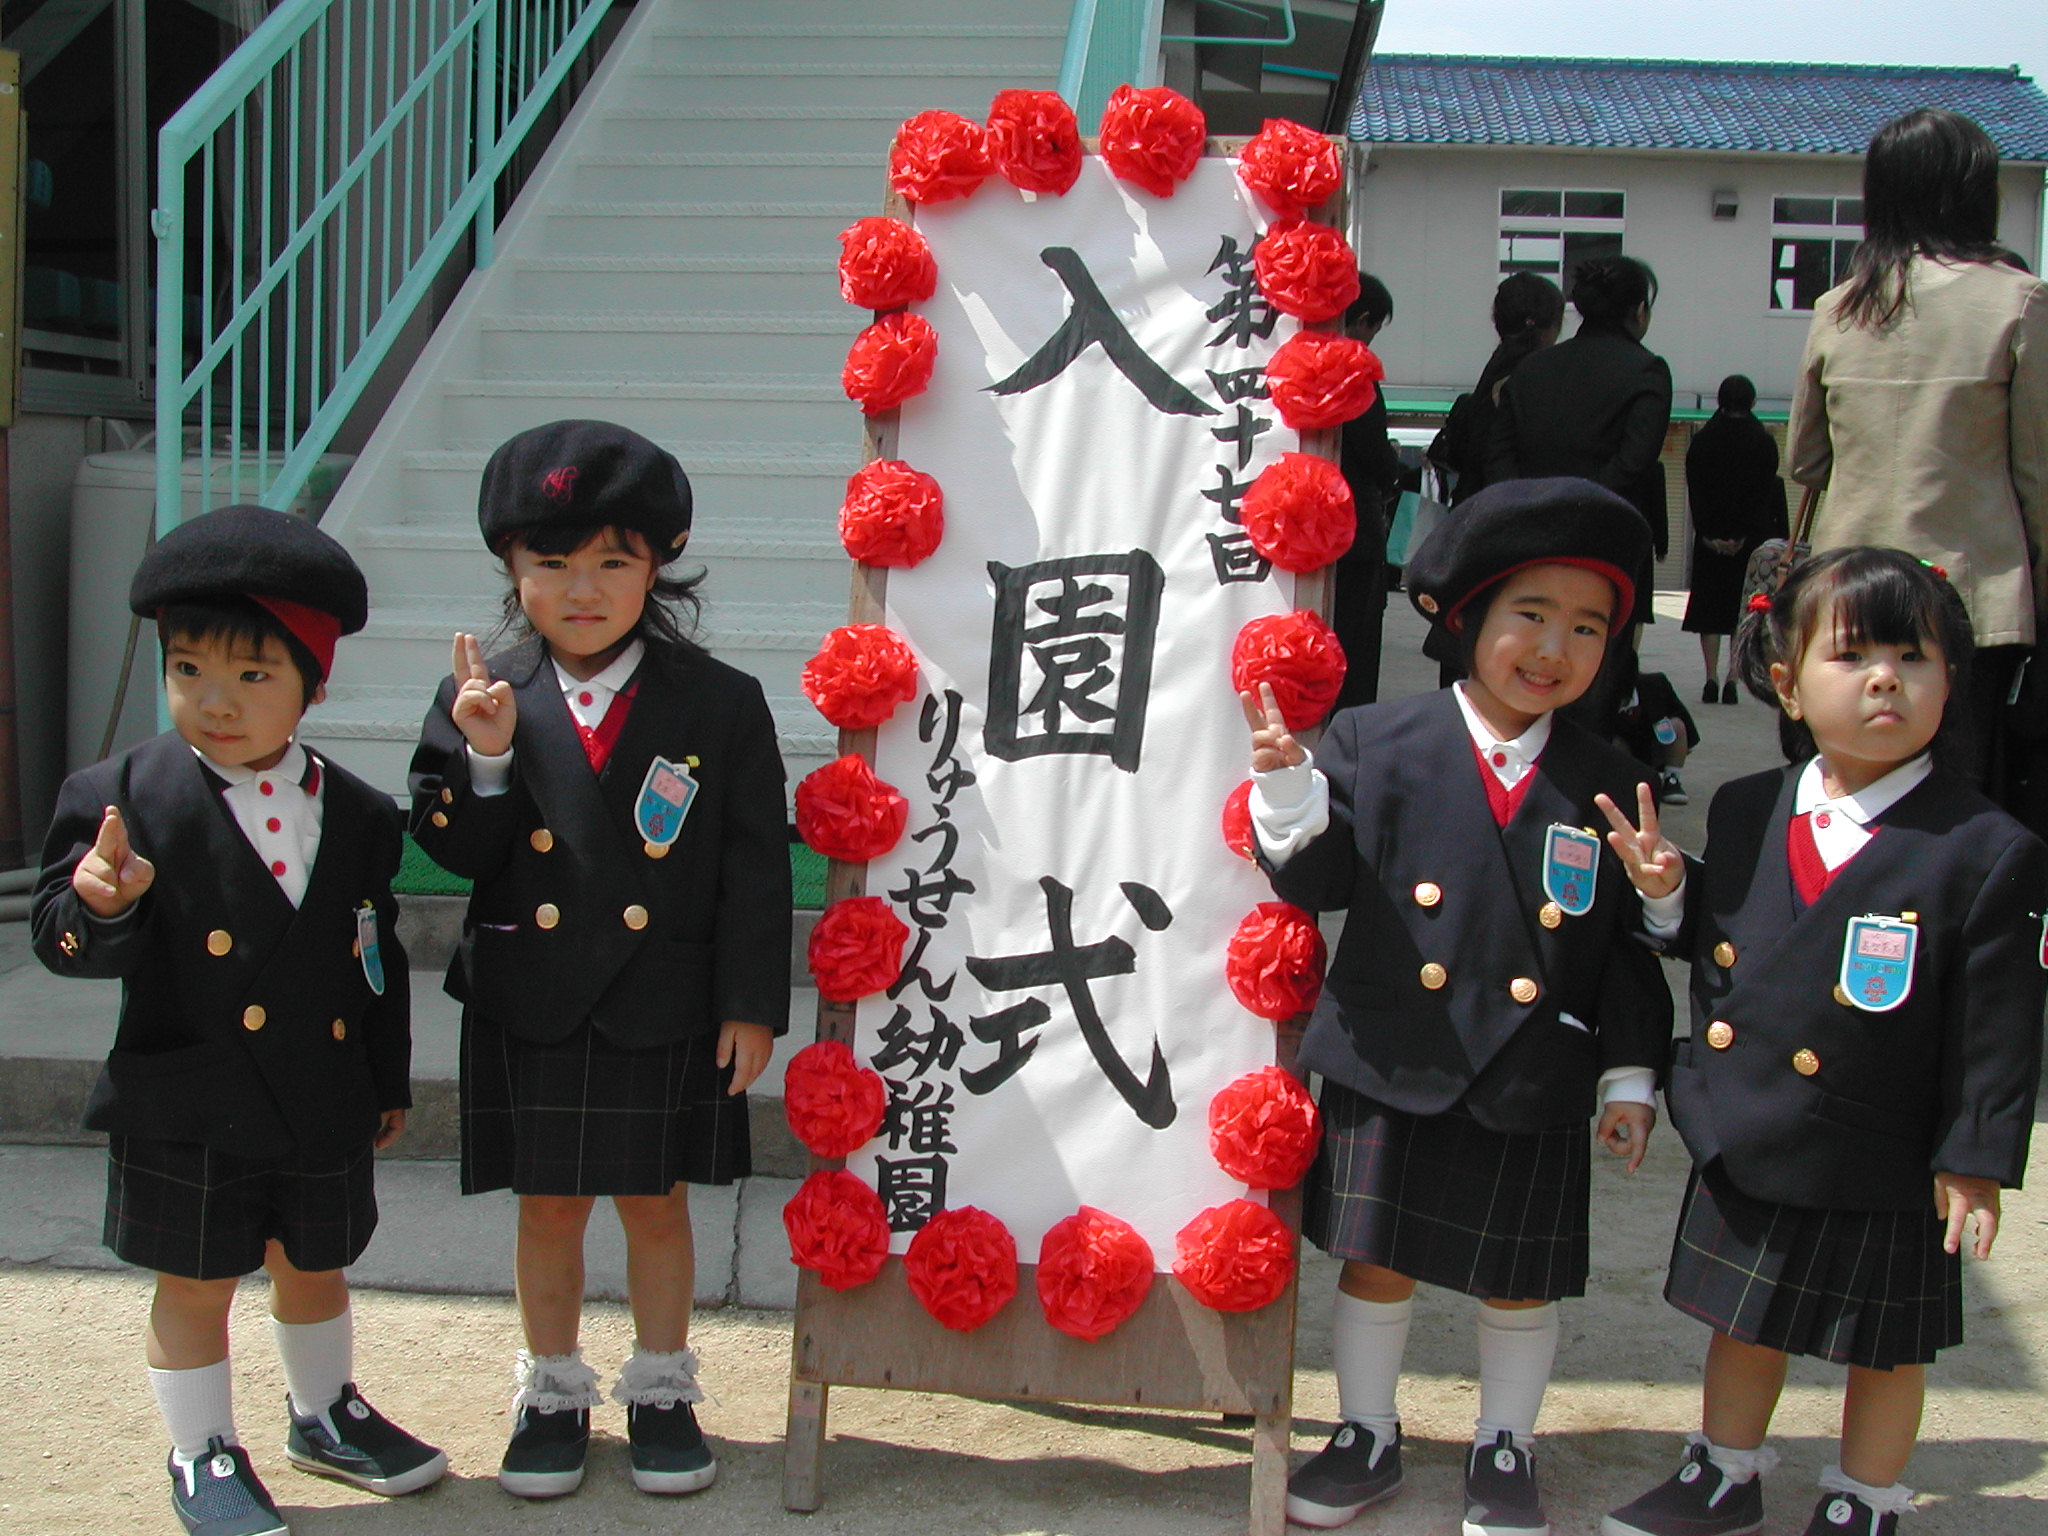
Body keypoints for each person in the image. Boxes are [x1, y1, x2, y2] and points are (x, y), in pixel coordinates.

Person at [1247, 477, 1672, 1536]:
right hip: (1394, 1052)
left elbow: (1621, 953)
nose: (1552, 649)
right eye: (1528, 615)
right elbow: (1316, 885)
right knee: (1374, 1260)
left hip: (1527, 1062)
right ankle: (1364, 1431)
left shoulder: (1607, 776)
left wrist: (1627, 1074)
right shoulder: (1373, 743)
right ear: (1463, 618)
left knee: (1518, 1279)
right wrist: (1291, 794)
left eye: (1585, 627)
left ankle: (1504, 1444)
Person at [1597, 547, 2046, 1536]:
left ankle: (1865, 1497)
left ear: (1948, 684)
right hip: (1752, 1122)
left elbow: (1998, 1021)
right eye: (1852, 655)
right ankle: (1721, 1471)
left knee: (1883, 1346)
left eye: (1912, 656)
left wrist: (1973, 1157)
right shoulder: (1750, 807)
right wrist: (1667, 895)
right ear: (1787, 684)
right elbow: (1726, 951)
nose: (1884, 677)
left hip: (1883, 1141)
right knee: (1741, 1319)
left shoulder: (1983, 848)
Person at [30, 505, 444, 1536]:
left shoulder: (356, 813)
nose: (215, 701)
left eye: (253, 676)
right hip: (190, 1091)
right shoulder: (122, 796)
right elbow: (60, 936)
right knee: (198, 1278)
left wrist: (386, 1080)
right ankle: (202, 1450)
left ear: (312, 682)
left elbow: (374, 955)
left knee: (316, 1262)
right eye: (187, 670)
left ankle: (324, 1413)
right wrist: (100, 903)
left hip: (320, 1086)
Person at [408, 419, 790, 1500]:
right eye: (552, 563)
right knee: (547, 1206)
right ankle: (552, 1392)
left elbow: (754, 868)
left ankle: (663, 1385)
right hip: (532, 996)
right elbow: (451, 853)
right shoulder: (483, 695)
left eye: (613, 561)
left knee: (660, 1201)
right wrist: (484, 759)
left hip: (663, 996)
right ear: (511, 571)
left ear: (656, 565)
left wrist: (751, 1003)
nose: (584, 588)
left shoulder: (717, 701)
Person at [1787, 108, 2047, 834]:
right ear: (1976, 192)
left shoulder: (1840, 306)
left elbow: (1804, 459)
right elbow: (2039, 478)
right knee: (1960, 807)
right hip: (1970, 605)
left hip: (1845, 593)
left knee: (1843, 793)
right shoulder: (2018, 301)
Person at [1487, 256, 1673, 634]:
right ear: (1639, 311)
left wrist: (1528, 508)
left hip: (1530, 539)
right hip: (1607, 540)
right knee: (1600, 656)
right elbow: (1635, 461)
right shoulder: (1647, 371)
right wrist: (1579, 509)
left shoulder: (1532, 369)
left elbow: (1498, 454)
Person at [1684, 375, 1787, 703]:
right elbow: (1763, 493)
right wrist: (1744, 534)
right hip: (1749, 539)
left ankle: (1710, 676)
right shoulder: (1763, 441)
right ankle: (1732, 677)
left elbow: (1696, 491)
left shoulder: (1703, 441)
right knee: (1740, 608)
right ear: (1752, 402)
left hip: (1711, 538)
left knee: (1709, 607)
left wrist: (1709, 534)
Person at [1438, 272, 1567, 506]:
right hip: (1512, 508)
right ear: (1551, 325)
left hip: (1472, 504)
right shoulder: (1539, 376)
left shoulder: (1494, 370)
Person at [1335, 274, 1400, 708]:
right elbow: (1375, 454)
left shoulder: (1290, 361)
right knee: (1353, 647)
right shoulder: (1354, 373)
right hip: (1353, 531)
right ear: (1360, 320)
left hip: (1306, 532)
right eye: (1374, 328)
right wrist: (1392, 463)